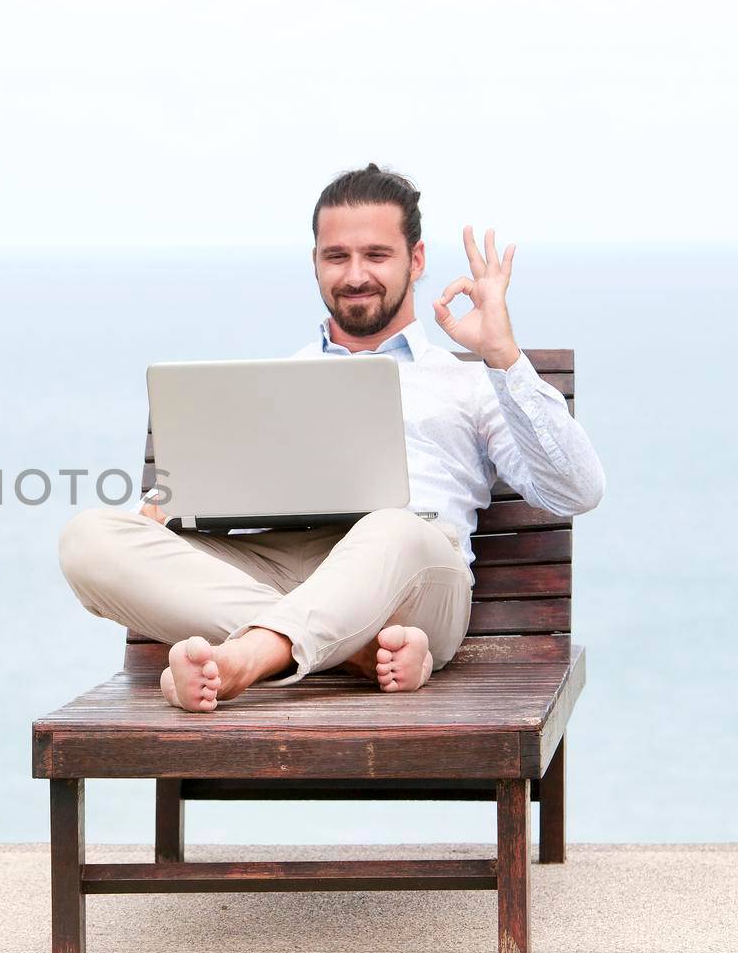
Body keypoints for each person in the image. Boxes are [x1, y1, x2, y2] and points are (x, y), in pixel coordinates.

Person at [57, 163, 605, 713]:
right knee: (89, 539)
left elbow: (576, 491)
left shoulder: (468, 381)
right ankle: (358, 654)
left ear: (416, 260)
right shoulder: (278, 382)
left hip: (411, 577)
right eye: (336, 256)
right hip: (295, 565)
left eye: (377, 255)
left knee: (392, 523)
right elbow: (215, 488)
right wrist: (169, 507)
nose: (355, 275)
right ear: (315, 263)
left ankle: (246, 659)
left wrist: (503, 356)